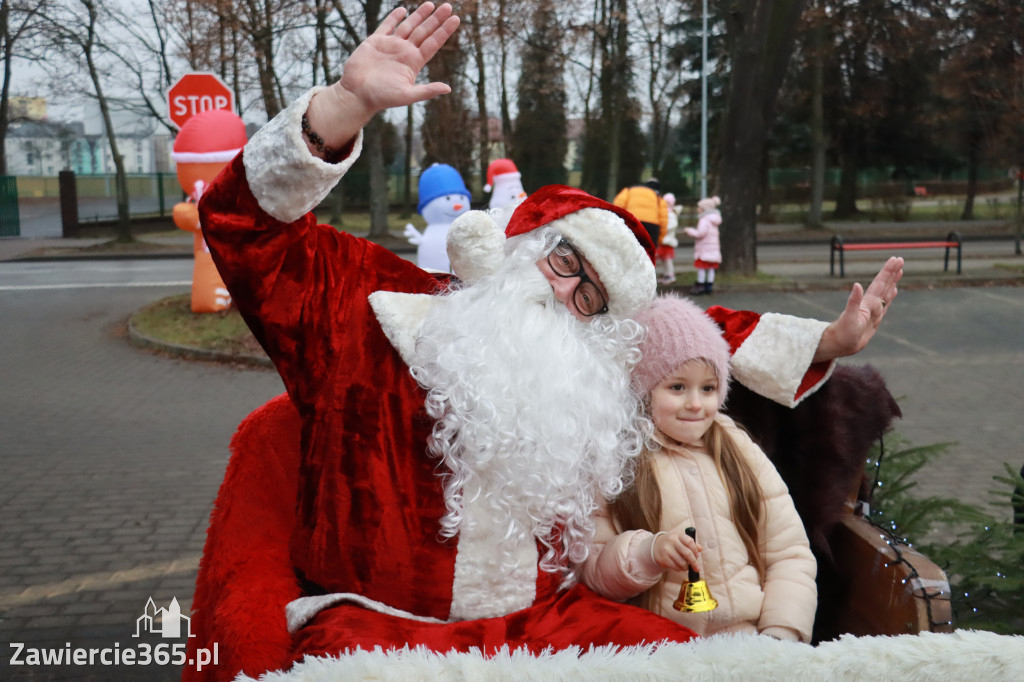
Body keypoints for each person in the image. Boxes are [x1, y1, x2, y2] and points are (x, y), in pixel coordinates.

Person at [192, 1, 903, 672]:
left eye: (591, 297)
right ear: (520, 249)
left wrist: (827, 342)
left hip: (544, 627)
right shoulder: (370, 313)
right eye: (564, 262)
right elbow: (245, 231)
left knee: (708, 673)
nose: (566, 294)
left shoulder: (585, 373)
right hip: (377, 626)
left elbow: (698, 332)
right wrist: (346, 107)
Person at [580, 294, 818, 643]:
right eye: (677, 387)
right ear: (642, 389)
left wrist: (782, 632)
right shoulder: (616, 458)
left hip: (750, 641)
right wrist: (647, 553)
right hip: (662, 648)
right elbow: (594, 570)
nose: (695, 404)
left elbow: (788, 552)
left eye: (708, 388)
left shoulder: (735, 448)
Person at [613, 178, 669, 255]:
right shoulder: (658, 197)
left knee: (626, 253)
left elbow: (618, 206)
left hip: (631, 223)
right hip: (651, 227)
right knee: (648, 257)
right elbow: (663, 220)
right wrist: (658, 241)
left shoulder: (629, 189)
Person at [684, 195, 722, 295]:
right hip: (713, 249)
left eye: (700, 208)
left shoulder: (704, 220)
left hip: (704, 249)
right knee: (711, 269)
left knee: (701, 268)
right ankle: (709, 285)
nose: (698, 209)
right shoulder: (715, 220)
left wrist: (690, 231)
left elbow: (700, 233)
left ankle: (700, 285)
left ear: (705, 209)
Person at [657, 192, 680, 284]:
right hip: (664, 239)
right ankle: (666, 275)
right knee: (664, 259)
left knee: (667, 259)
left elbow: (672, 225)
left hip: (667, 240)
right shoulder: (666, 212)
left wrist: (662, 228)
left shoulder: (670, 213)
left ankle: (670, 275)